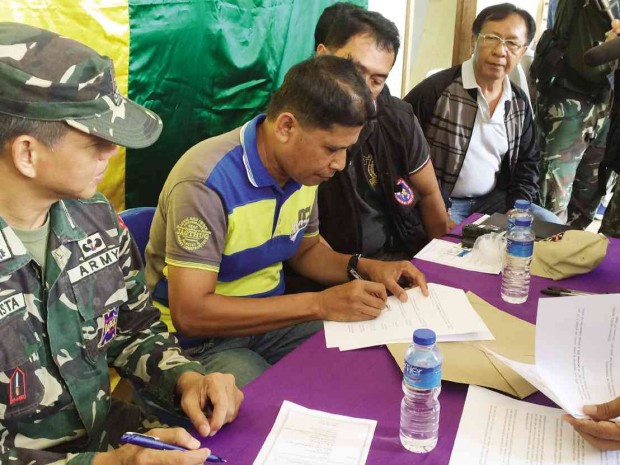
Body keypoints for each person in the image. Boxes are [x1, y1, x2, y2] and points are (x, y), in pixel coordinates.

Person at [0, 22, 243, 465]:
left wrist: (186, 379)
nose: (112, 153)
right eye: (96, 142)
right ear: (27, 154)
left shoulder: (93, 216)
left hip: (108, 435)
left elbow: (133, 328)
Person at [145, 55, 429, 388]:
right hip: (197, 344)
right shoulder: (205, 183)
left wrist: (365, 267)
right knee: (269, 411)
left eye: (347, 150)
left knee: (366, 366)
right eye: (331, 148)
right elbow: (191, 315)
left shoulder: (303, 173)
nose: (340, 164)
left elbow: (306, 252)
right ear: (286, 127)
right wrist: (319, 303)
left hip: (270, 322)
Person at [404, 3, 561, 225]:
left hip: (494, 202)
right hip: (443, 203)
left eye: (512, 43)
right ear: (474, 40)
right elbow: (398, 144)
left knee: (550, 223)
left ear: (523, 51)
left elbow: (528, 161)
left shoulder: (518, 101)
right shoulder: (437, 90)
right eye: (491, 38)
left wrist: (517, 205)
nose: (500, 51)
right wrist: (432, 205)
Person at [315, 4, 450, 260]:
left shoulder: (397, 118)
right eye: (353, 70)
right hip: (334, 273)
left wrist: (441, 268)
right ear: (322, 57)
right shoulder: (298, 121)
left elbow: (430, 194)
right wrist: (357, 272)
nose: (362, 89)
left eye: (376, 81)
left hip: (398, 255)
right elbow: (302, 243)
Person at [533, 0, 620, 226]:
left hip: (607, 101)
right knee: (552, 200)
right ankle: (548, 252)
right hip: (567, 98)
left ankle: (573, 252)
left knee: (590, 195)